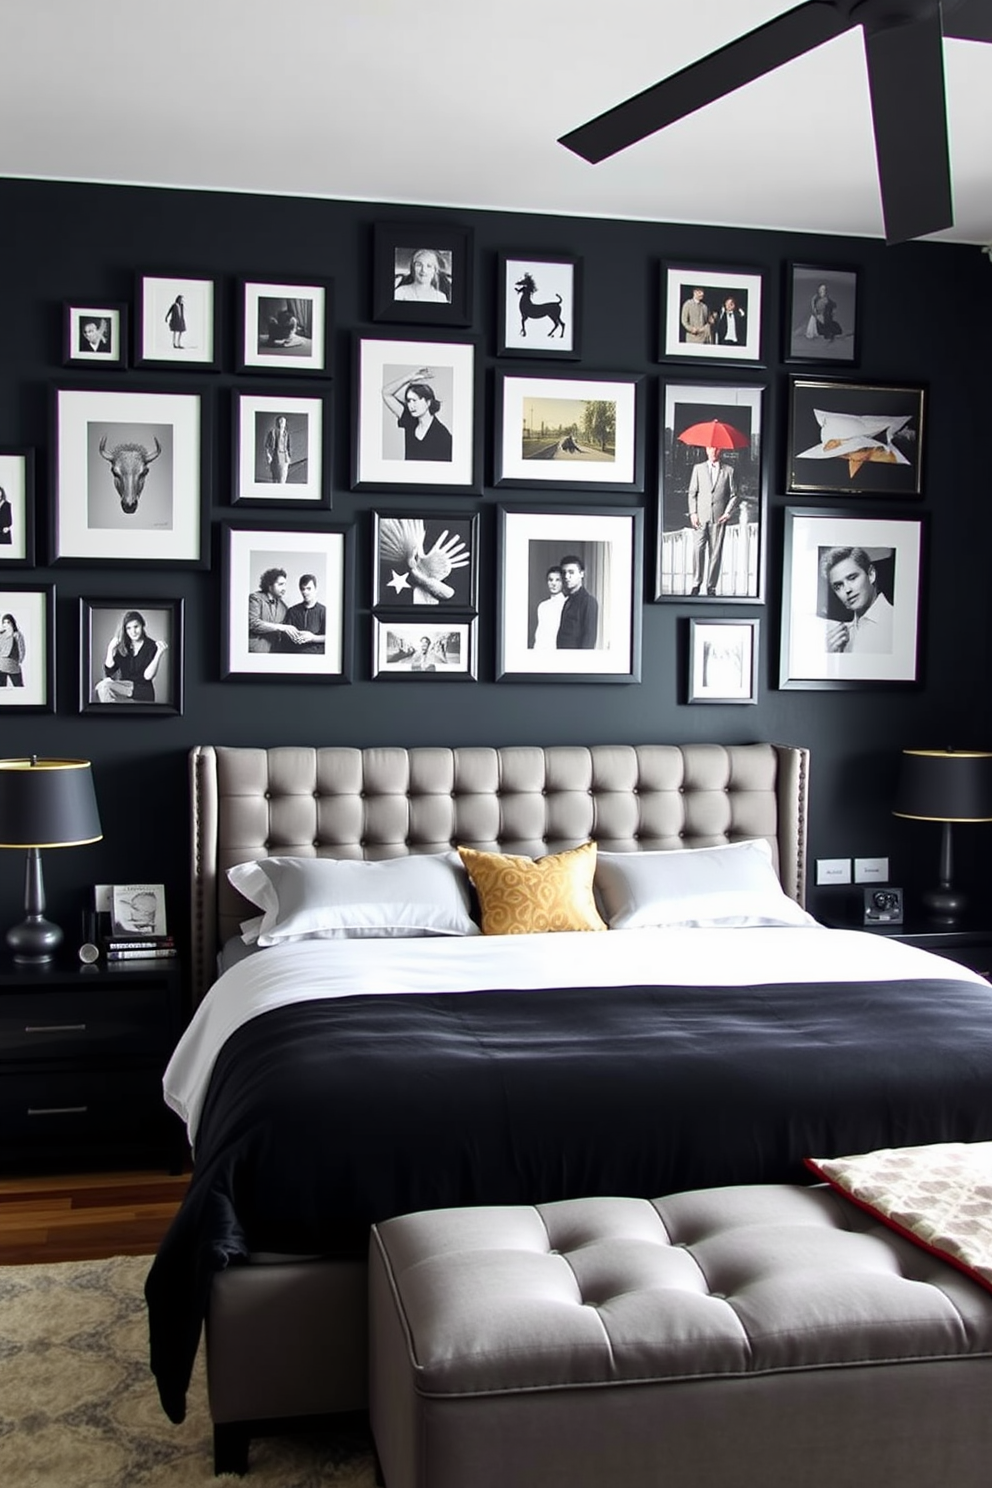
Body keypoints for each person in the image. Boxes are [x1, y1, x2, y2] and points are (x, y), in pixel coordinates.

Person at [687, 445, 738, 596]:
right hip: (700, 518)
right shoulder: (698, 468)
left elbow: (735, 495)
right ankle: (696, 583)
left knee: (715, 553)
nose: (713, 452)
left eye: (716, 449)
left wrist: (728, 512)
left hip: (719, 518)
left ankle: (711, 586)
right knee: (697, 550)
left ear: (720, 451)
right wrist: (693, 513)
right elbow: (692, 493)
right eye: (710, 449)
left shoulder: (729, 471)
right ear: (706, 450)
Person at [822, 546, 894, 654]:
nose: (847, 590)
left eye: (852, 578)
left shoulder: (896, 622)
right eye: (838, 586)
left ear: (871, 574)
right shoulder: (840, 637)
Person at [381, 367, 453, 461]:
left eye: (414, 400)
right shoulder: (410, 420)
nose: (411, 405)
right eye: (409, 401)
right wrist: (410, 377)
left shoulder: (443, 436)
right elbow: (386, 393)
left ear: (428, 402)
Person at [95, 610, 168, 703]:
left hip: (143, 691)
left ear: (142, 625)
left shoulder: (151, 646)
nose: (133, 631)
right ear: (125, 630)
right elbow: (110, 672)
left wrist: (158, 654)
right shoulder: (124, 646)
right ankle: (111, 714)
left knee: (103, 686)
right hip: (125, 689)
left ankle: (110, 714)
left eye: (136, 627)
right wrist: (110, 649)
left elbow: (147, 676)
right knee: (102, 687)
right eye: (128, 628)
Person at [247, 568, 308, 653]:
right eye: (280, 584)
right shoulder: (255, 598)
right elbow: (252, 623)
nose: (284, 588)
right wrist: (280, 627)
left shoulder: (284, 607)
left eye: (285, 585)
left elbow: (285, 631)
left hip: (274, 654)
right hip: (255, 652)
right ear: (270, 585)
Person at [556, 554, 599, 649]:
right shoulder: (567, 601)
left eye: (571, 572)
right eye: (564, 573)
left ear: (581, 574)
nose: (567, 576)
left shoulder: (588, 601)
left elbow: (588, 641)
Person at [281, 573, 326, 654]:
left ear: (316, 589)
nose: (305, 592)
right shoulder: (292, 611)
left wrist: (313, 638)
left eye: (309, 589)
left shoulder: (324, 611)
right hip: (295, 655)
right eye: (303, 589)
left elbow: (333, 638)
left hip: (316, 657)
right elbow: (284, 637)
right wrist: (293, 637)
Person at [532, 565, 566, 649]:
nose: (553, 583)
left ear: (562, 583)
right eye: (550, 580)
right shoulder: (542, 606)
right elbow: (540, 632)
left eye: (557, 580)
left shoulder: (566, 604)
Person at [264, 414, 292, 483]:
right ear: (277, 423)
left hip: (284, 459)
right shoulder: (272, 433)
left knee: (282, 479)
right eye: (281, 421)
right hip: (275, 458)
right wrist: (268, 455)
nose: (283, 423)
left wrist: (288, 457)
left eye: (284, 422)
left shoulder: (286, 434)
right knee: (275, 479)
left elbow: (288, 447)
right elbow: (267, 445)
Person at [0, 613, 25, 687]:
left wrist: (20, 660)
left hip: (13, 665)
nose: (6, 624)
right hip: (1, 665)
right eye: (4, 622)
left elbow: (21, 649)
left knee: (18, 686)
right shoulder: (1, 634)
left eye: (8, 622)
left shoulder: (17, 635)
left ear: (12, 623)